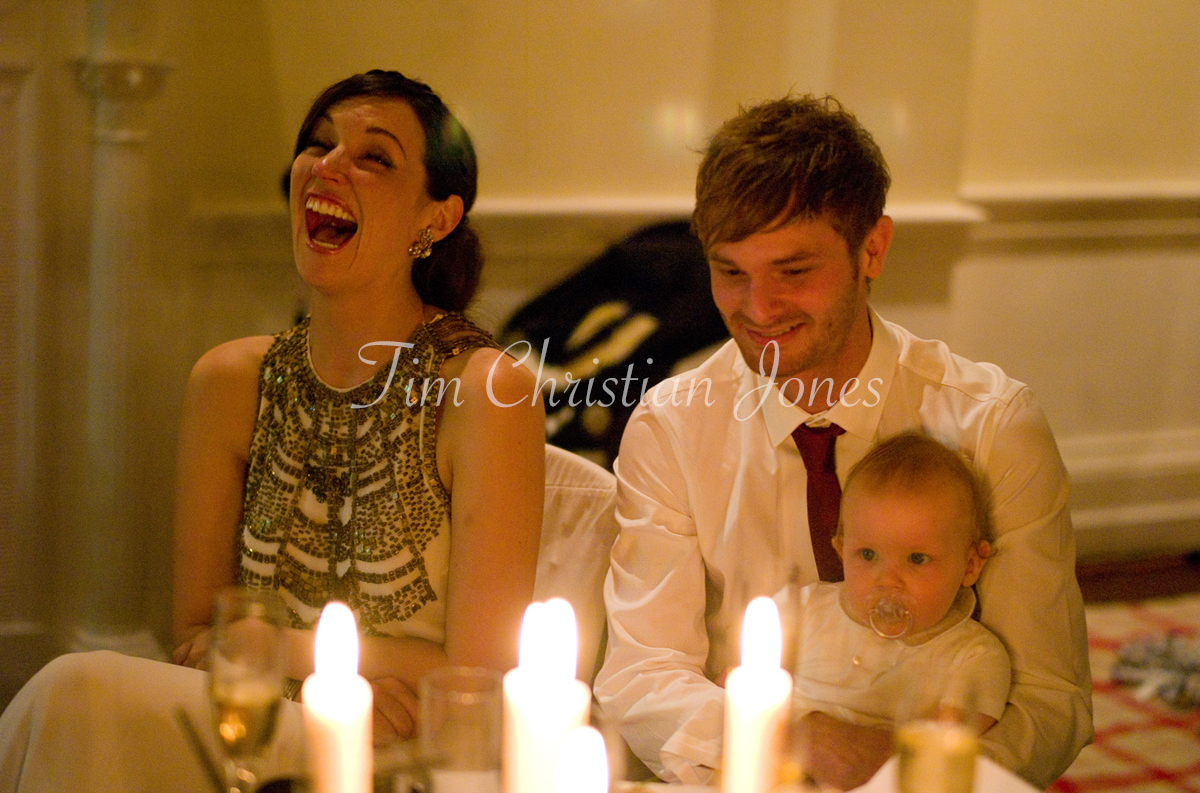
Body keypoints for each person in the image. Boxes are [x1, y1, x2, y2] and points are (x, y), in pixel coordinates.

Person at [0, 70, 545, 789]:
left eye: (373, 157)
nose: (328, 166)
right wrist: (336, 670)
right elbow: (196, 639)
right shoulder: (229, 382)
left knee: (79, 692)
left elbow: (480, 679)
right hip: (243, 729)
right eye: (317, 145)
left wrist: (286, 653)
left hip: (404, 755)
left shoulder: (485, 389)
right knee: (77, 693)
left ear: (436, 220)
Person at [594, 94, 1092, 791]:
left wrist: (905, 774)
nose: (758, 308)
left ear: (873, 249)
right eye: (731, 271)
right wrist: (797, 738)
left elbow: (1049, 701)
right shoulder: (671, 427)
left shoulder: (993, 426)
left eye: (794, 271)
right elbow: (643, 671)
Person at [790, 430, 1010, 738]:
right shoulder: (805, 610)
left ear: (970, 565)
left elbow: (940, 750)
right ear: (841, 551)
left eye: (917, 559)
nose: (888, 580)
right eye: (868, 555)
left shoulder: (973, 658)